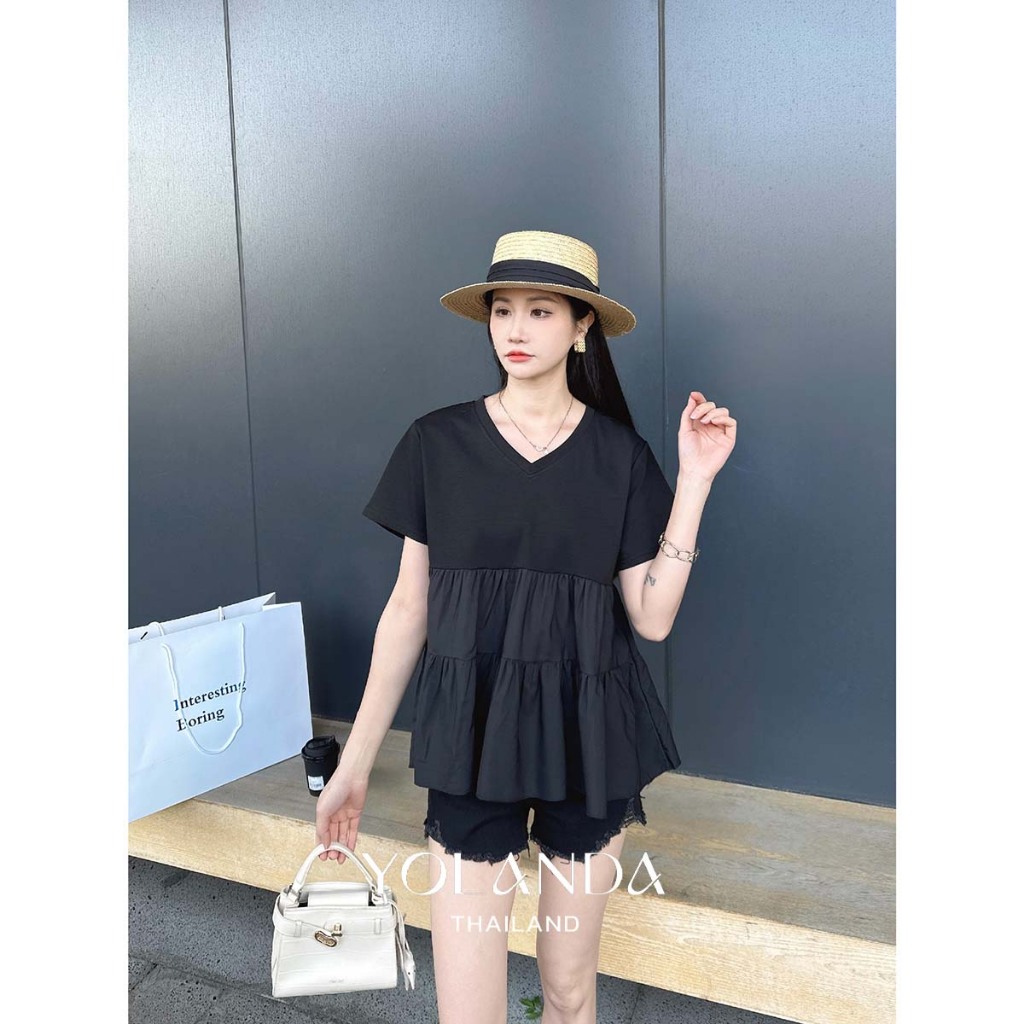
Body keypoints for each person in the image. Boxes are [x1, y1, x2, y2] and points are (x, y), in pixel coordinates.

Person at [315, 230, 737, 1024]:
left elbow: (651, 619)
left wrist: (695, 482)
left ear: (582, 327)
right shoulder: (437, 443)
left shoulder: (619, 456)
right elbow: (408, 609)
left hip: (590, 734)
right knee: (468, 1008)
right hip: (472, 735)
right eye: (502, 310)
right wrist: (357, 764)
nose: (515, 329)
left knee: (569, 991)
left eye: (540, 311)